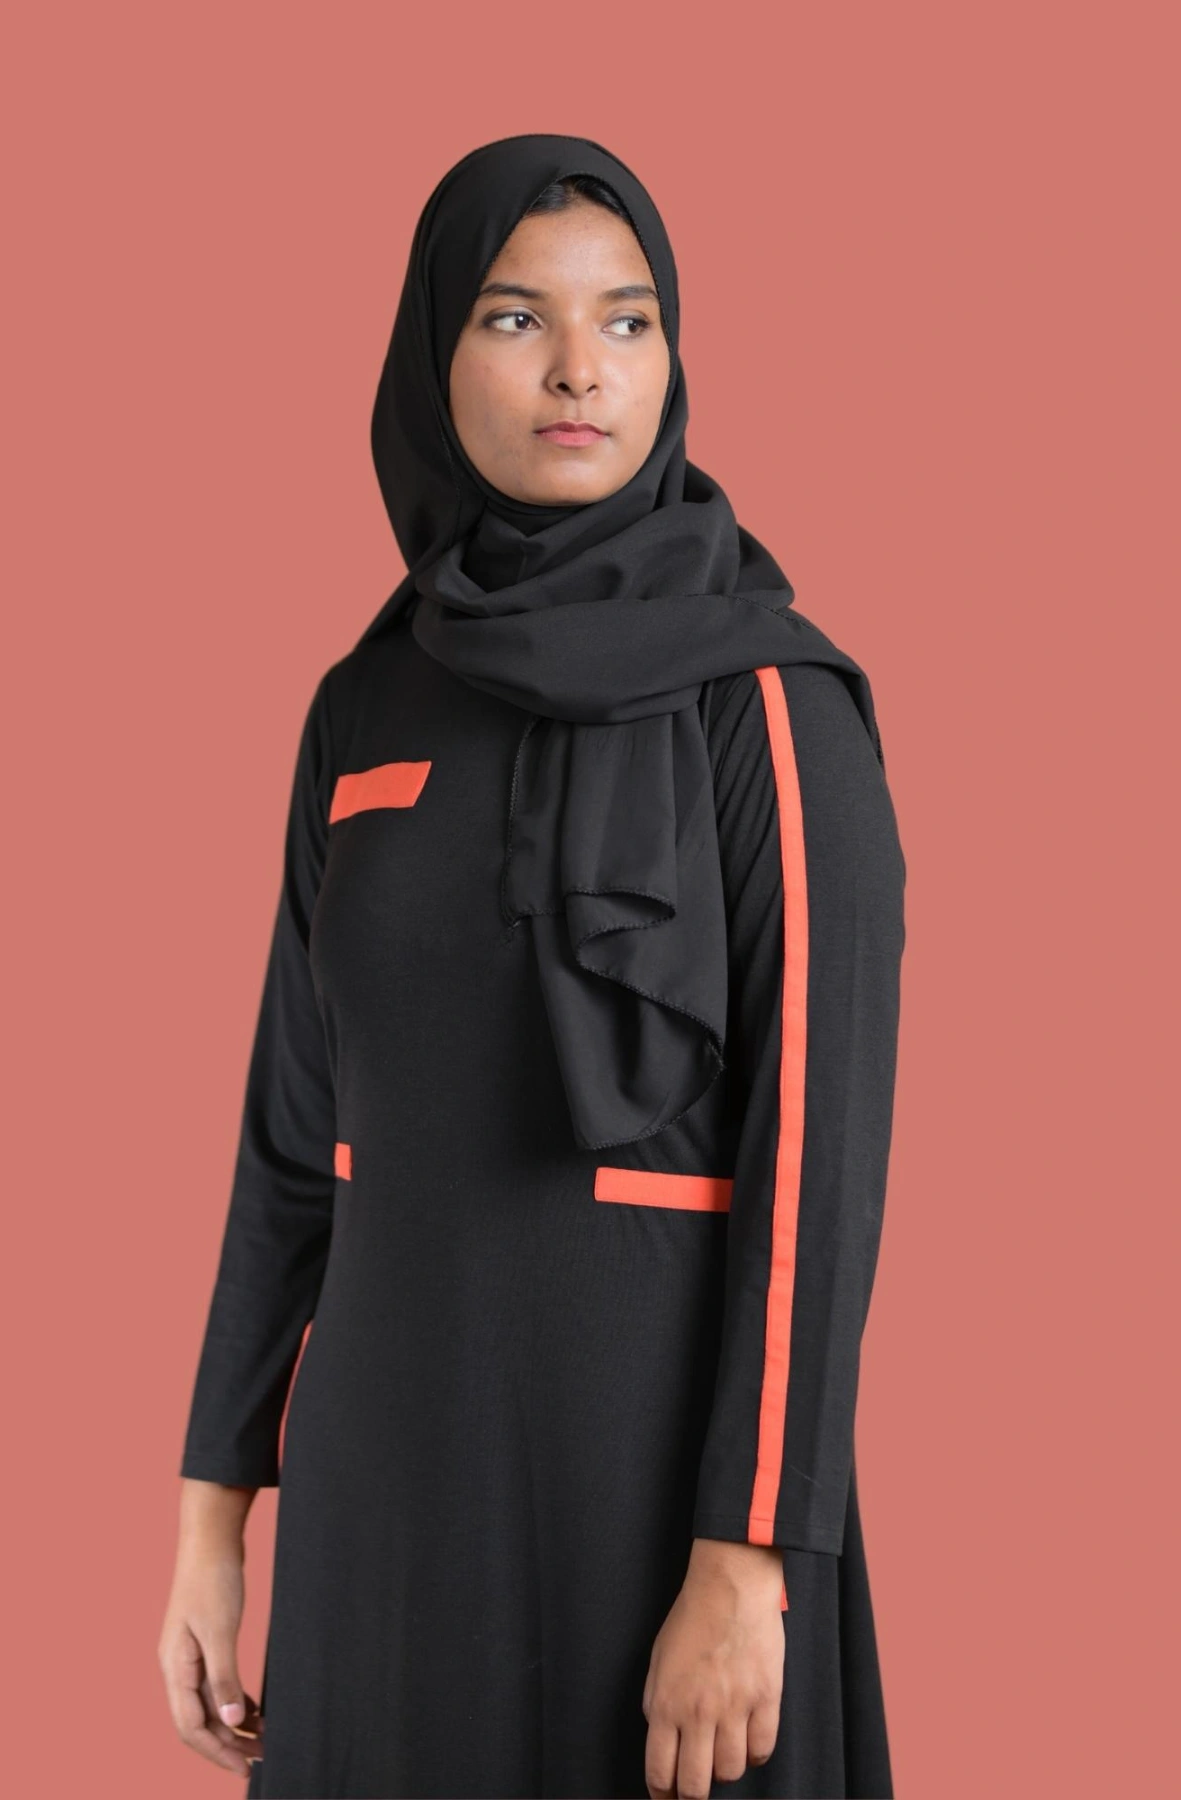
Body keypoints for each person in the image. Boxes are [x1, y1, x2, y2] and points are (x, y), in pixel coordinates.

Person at [158, 133, 907, 1800]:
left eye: (628, 321)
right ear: (433, 357)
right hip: (383, 1500)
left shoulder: (770, 703)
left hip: (658, 1507)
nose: (582, 368)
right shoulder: (363, 706)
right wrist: (214, 1519)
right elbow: (291, 1140)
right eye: (517, 318)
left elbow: (820, 1158)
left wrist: (750, 1559)